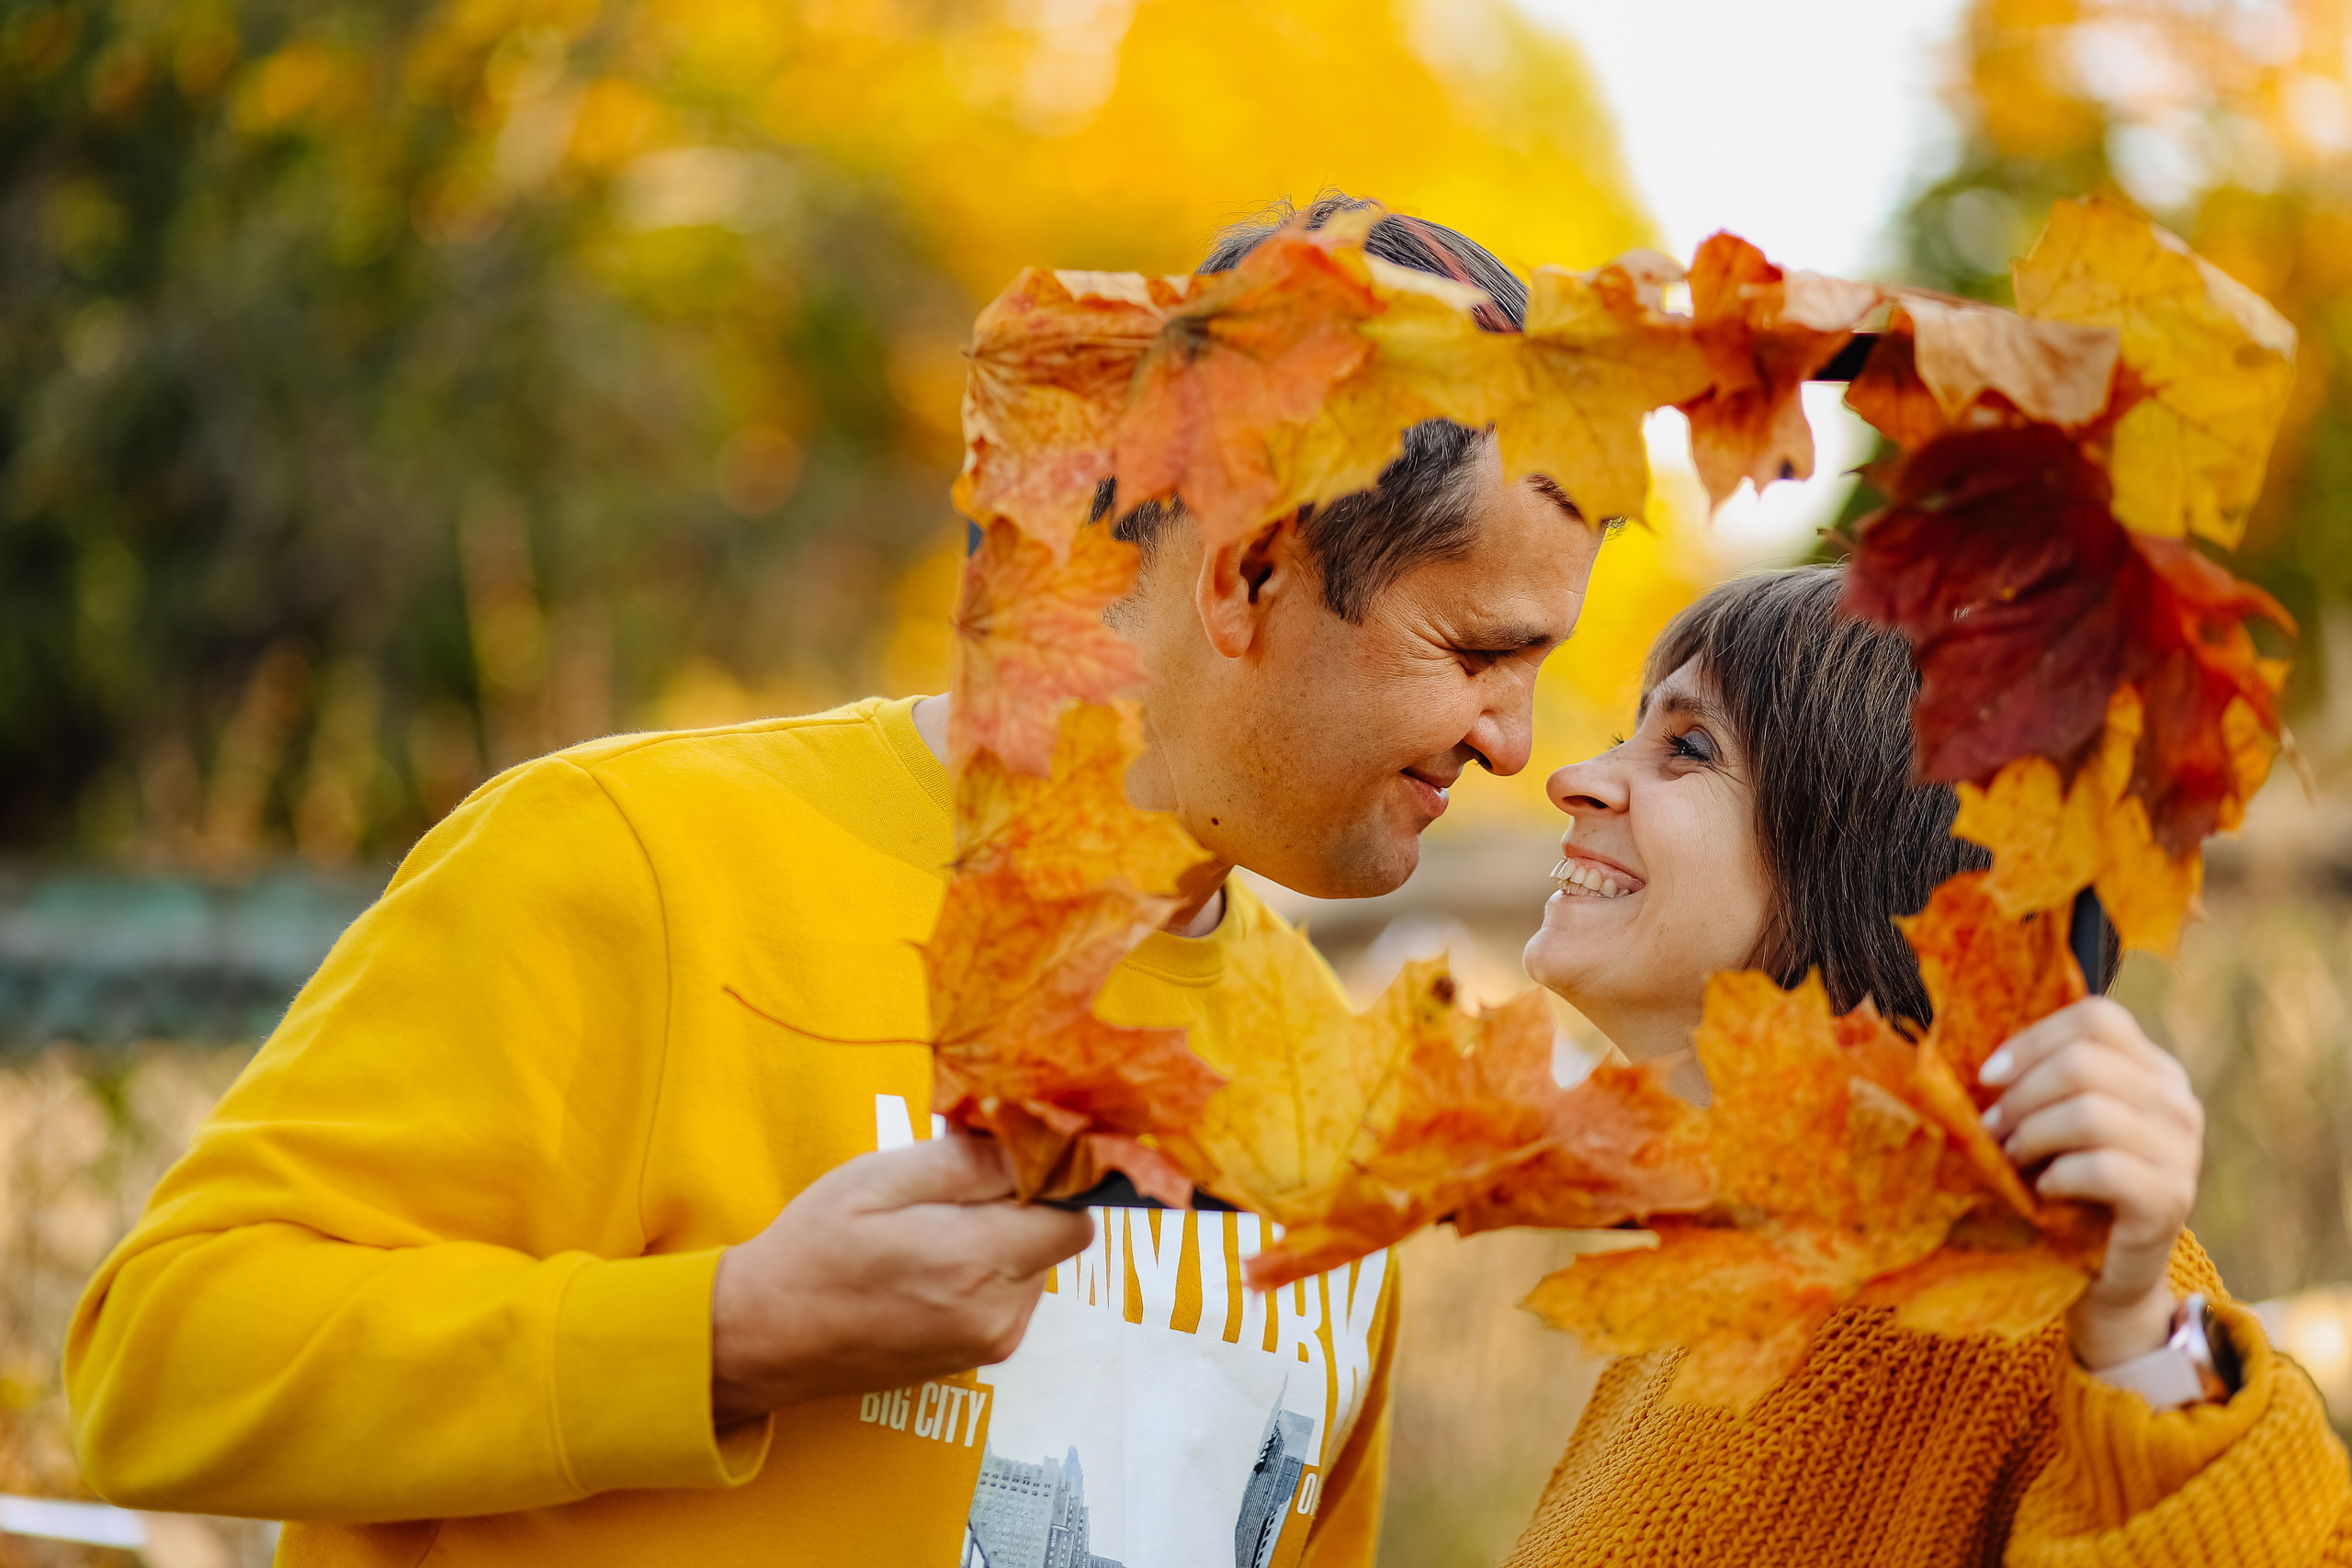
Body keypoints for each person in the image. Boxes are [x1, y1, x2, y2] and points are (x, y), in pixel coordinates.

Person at [66, 197, 1603, 1567]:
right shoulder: (636, 857)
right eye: (1476, 653)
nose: (1516, 744)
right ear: (1248, 572)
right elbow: (157, 1372)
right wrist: (724, 1335)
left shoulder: (1337, 1105)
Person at [1511, 567, 2348, 1565]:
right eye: (1625, 732)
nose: (1578, 776)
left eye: (1687, 747)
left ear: (1861, 862)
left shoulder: (2052, 1273)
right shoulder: (1727, 1288)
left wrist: (2131, 1341)